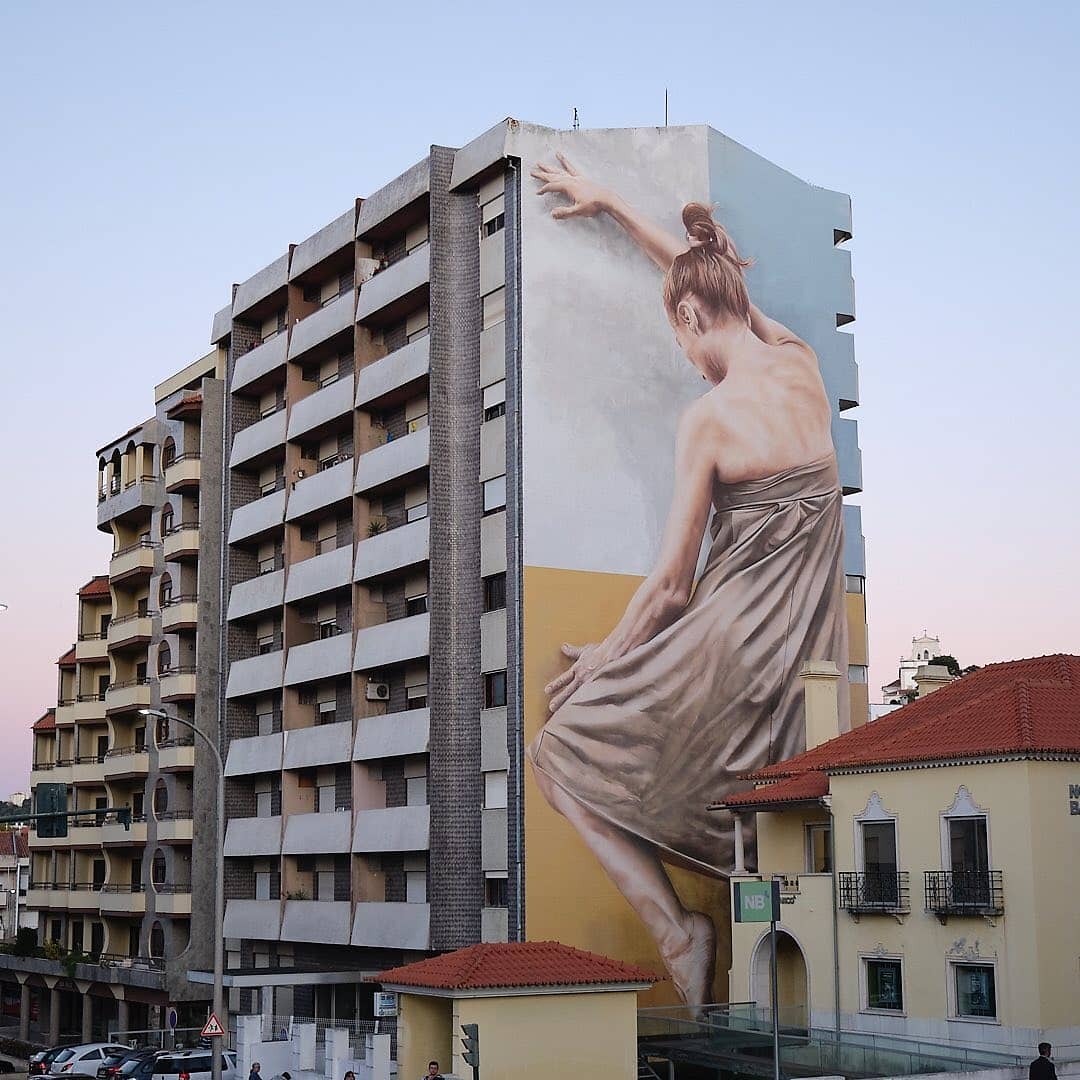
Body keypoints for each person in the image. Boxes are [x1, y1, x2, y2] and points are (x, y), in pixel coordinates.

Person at [527, 153, 849, 1010]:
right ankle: (746, 951)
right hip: (802, 670)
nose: (684, 356)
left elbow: (671, 586)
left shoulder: (707, 421)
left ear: (694, 317)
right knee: (768, 835)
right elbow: (697, 272)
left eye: (680, 336)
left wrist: (600, 659)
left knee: (554, 753)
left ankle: (679, 932)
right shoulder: (802, 361)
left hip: (726, 655)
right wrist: (617, 207)